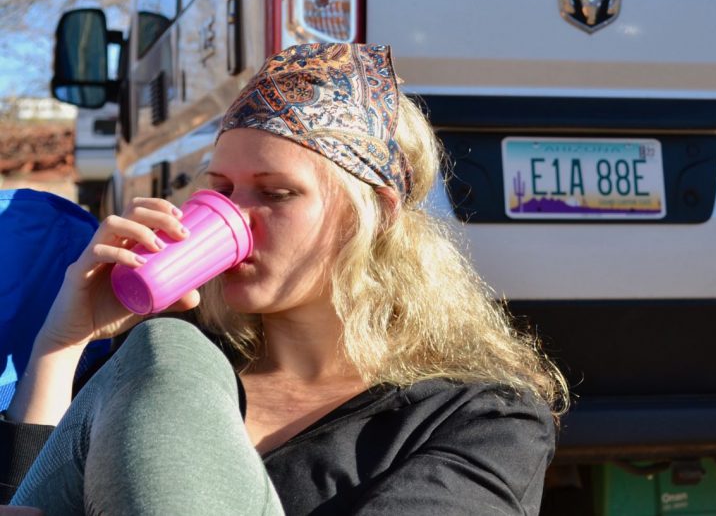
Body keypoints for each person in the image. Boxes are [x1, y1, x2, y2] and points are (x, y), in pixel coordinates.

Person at [0, 43, 568, 514]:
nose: (234, 217)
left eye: (275, 194)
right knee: (165, 345)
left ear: (377, 214)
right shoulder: (165, 366)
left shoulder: (479, 417)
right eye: (220, 189)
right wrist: (63, 343)